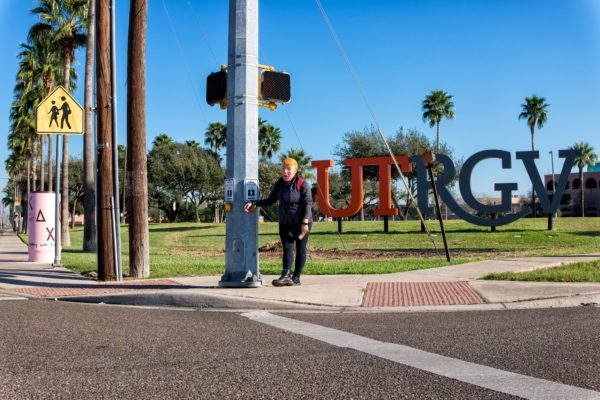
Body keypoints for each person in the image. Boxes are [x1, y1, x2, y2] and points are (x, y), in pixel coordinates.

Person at [243, 158, 312, 286]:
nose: (285, 172)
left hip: (301, 223)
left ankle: (296, 277)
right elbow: (270, 200)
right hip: (285, 223)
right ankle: (286, 275)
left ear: (295, 171)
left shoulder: (302, 184)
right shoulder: (279, 184)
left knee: (301, 249)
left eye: (288, 169)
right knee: (287, 248)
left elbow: (308, 204)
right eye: (283, 169)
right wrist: (255, 203)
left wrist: (305, 222)